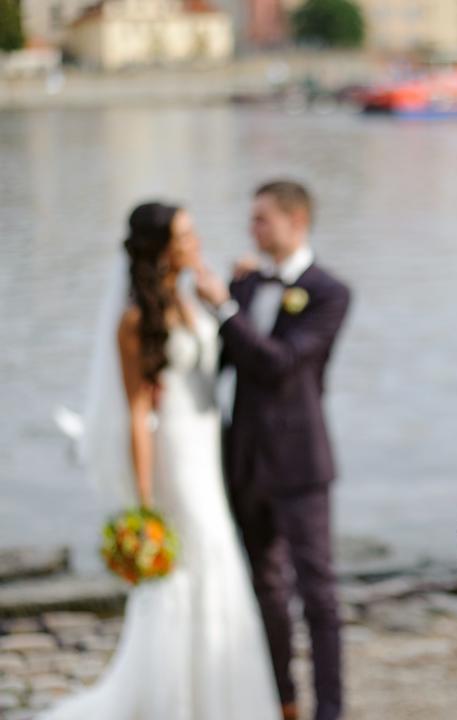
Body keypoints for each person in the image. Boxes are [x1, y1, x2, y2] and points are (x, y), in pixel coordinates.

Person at [41, 203, 280, 720]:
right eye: (185, 235)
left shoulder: (191, 295)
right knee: (191, 561)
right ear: (162, 248)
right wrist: (144, 501)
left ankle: (219, 692)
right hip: (175, 454)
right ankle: (175, 700)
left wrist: (231, 294)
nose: (196, 241)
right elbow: (137, 415)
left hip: (206, 446)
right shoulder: (134, 319)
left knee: (218, 555)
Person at [195, 180, 351, 720]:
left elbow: (279, 364)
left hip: (300, 463)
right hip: (242, 460)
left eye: (262, 219)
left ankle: (330, 710)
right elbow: (221, 361)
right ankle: (282, 699)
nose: (252, 229)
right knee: (263, 586)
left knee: (319, 594)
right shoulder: (246, 284)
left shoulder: (330, 291)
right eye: (252, 219)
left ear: (296, 220)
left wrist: (222, 309)